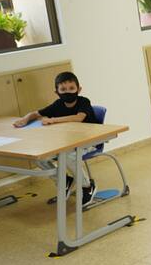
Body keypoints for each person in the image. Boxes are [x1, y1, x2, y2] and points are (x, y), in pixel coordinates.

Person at [13, 71, 97, 203]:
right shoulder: (57, 104)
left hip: (89, 141)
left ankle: (86, 185)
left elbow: (79, 117)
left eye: (71, 88)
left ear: (78, 89)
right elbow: (36, 113)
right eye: (63, 89)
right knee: (40, 157)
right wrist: (25, 119)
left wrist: (53, 120)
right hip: (66, 143)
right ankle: (64, 182)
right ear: (56, 92)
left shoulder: (83, 101)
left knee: (68, 156)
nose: (67, 92)